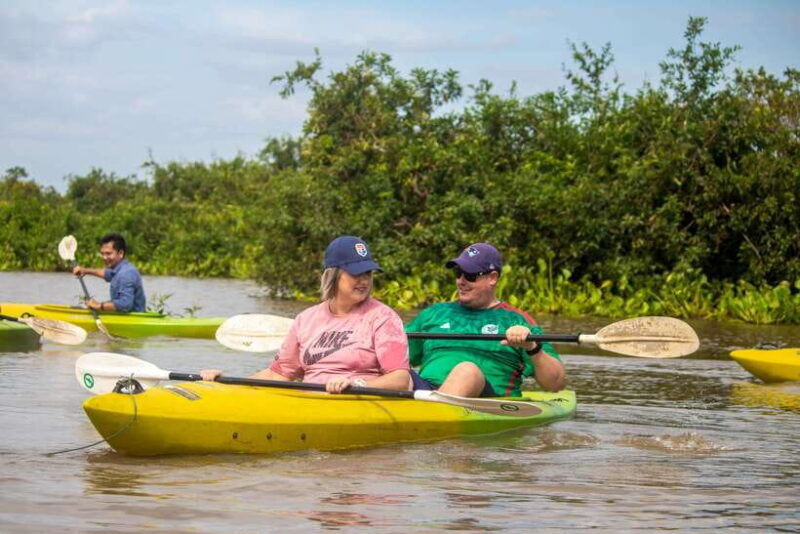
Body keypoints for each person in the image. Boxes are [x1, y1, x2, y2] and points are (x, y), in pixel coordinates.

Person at [201, 236, 411, 394]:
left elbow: (400, 378)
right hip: (311, 401)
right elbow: (279, 374)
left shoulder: (383, 318)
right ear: (333, 275)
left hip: (358, 400)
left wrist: (357, 384)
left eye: (368, 273)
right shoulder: (306, 319)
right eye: (356, 273)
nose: (364, 280)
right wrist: (229, 383)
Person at [406, 242, 567, 398]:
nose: (461, 281)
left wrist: (531, 346)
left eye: (470, 275)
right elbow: (393, 354)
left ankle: (436, 415)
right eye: (458, 273)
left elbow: (556, 384)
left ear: (492, 278)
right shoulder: (434, 313)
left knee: (466, 371)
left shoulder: (516, 320)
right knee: (397, 375)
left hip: (485, 400)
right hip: (426, 390)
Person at [72, 233, 146, 313]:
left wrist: (98, 306)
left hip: (134, 319)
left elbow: (125, 304)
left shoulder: (126, 273)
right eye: (102, 253)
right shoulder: (118, 269)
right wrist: (85, 270)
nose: (104, 257)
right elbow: (106, 273)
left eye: (108, 253)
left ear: (120, 253)